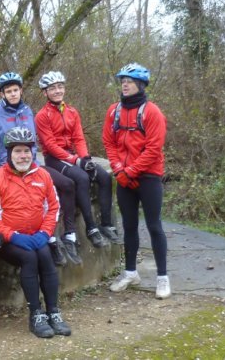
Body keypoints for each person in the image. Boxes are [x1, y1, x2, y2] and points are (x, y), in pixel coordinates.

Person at [0, 72, 79, 266]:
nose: (13, 94)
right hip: (5, 169)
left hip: (31, 166)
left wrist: (32, 163)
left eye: (15, 90)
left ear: (21, 90)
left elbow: (32, 141)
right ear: (2, 94)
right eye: (8, 91)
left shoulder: (27, 111)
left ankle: (64, 235)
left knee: (65, 184)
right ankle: (47, 241)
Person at [0, 126, 72, 338]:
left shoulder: (43, 175)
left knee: (45, 256)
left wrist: (45, 232)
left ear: (32, 153)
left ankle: (53, 312)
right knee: (30, 258)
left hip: (37, 235)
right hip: (9, 239)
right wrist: (11, 235)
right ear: (9, 153)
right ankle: (36, 315)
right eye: (17, 151)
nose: (23, 156)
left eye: (26, 151)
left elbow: (54, 207)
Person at [102, 63, 170, 299]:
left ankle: (162, 277)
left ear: (140, 85)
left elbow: (153, 148)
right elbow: (108, 141)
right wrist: (119, 168)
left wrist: (130, 170)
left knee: (154, 225)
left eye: (129, 81)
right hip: (124, 176)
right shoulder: (114, 111)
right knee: (129, 226)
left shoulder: (152, 112)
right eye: (123, 81)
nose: (125, 84)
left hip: (148, 176)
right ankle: (131, 272)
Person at [35, 71, 118, 263]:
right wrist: (75, 161)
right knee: (81, 177)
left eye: (60, 87)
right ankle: (91, 227)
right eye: (52, 88)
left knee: (104, 177)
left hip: (73, 155)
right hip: (55, 159)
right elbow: (50, 146)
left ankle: (106, 224)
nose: (57, 91)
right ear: (45, 92)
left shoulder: (72, 111)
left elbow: (78, 138)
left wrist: (85, 158)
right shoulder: (42, 115)